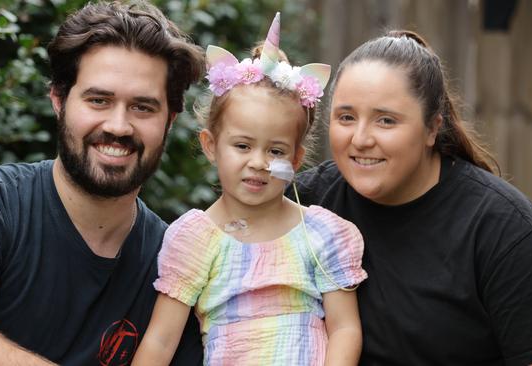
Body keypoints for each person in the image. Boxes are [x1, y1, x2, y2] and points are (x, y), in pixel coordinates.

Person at [0, 1, 206, 364]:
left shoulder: (175, 264)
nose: (118, 126)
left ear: (169, 121)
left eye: (143, 107)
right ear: (59, 101)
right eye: (98, 100)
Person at [286, 29, 532, 365]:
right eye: (346, 117)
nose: (360, 138)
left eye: (386, 120)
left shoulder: (506, 233)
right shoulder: (301, 204)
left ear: (432, 128)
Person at [131, 13, 368, 366]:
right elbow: (161, 340)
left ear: (297, 158)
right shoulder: (197, 239)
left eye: (275, 151)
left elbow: (345, 329)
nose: (258, 162)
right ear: (211, 146)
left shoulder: (319, 234)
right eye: (242, 146)